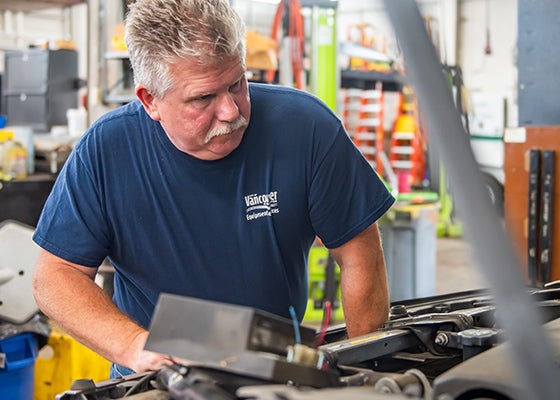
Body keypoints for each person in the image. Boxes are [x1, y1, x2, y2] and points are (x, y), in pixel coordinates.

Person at [31, 0, 395, 377]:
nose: (231, 111)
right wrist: (135, 347)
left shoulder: (306, 128)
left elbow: (359, 254)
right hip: (158, 378)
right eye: (203, 98)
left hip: (275, 373)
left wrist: (366, 372)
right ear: (150, 101)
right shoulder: (106, 150)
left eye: (237, 84)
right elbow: (56, 276)